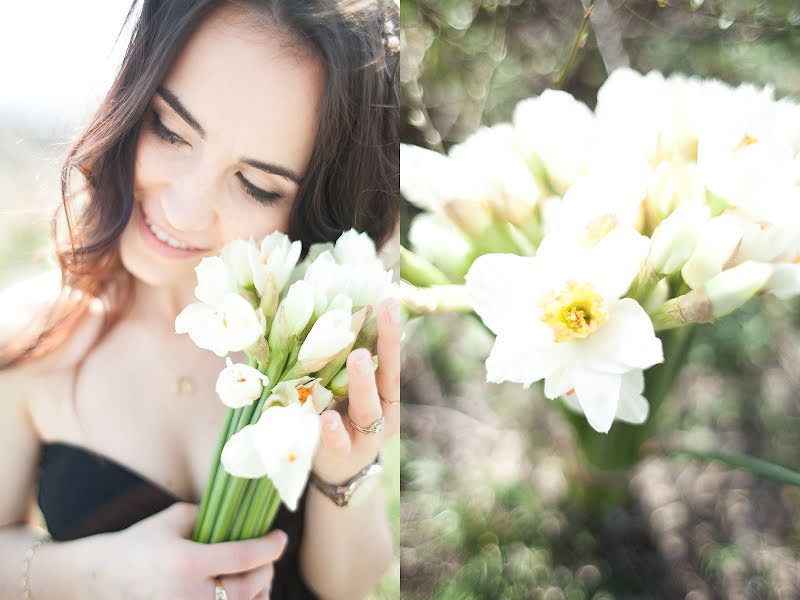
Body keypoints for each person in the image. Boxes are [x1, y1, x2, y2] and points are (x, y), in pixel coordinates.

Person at [0, 0, 400, 598]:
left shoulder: (316, 340)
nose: (183, 209)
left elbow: (350, 588)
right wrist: (104, 575)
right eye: (169, 128)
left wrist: (345, 472)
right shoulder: (35, 333)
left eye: (257, 185)